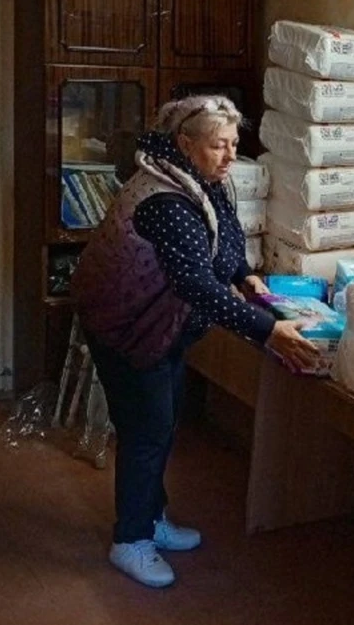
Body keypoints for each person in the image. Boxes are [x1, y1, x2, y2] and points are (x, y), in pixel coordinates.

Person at [72, 95, 319, 588]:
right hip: (127, 327)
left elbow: (225, 240)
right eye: (217, 145)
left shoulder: (202, 180)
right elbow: (195, 285)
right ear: (185, 143)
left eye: (233, 144)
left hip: (162, 325)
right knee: (146, 432)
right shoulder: (166, 199)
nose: (230, 156)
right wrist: (266, 330)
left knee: (163, 423)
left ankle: (151, 518)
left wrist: (247, 277)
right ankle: (131, 541)